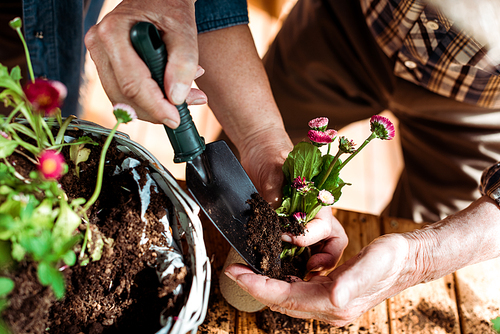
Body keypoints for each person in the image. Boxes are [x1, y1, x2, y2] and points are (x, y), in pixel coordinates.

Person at [87, 0, 500, 325]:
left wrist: (421, 257)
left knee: (432, 226)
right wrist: (262, 139)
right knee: (259, 158)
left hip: (481, 103)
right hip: (349, 25)